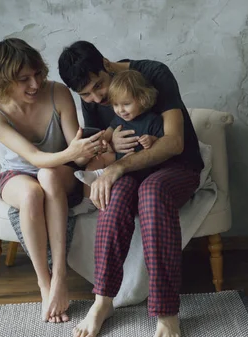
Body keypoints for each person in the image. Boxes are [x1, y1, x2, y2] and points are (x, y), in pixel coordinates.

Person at [58, 41, 204, 337]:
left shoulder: (154, 74)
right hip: (131, 168)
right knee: (117, 195)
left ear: (107, 64)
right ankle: (102, 301)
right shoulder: (92, 99)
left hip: (176, 166)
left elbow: (174, 142)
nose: (96, 97)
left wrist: (118, 167)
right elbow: (103, 144)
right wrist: (109, 148)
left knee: (152, 193)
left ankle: (166, 312)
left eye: (99, 85)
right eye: (85, 94)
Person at [0, 38, 105, 323]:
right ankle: (45, 284)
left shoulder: (58, 93)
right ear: (2, 80)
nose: (35, 84)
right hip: (17, 176)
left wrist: (93, 149)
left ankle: (60, 275)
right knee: (31, 195)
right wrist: (73, 151)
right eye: (24, 79)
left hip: (60, 173)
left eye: (38, 74)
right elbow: (34, 158)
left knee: (48, 175)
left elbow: (77, 155)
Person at [73, 69, 162, 195]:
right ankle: (88, 200)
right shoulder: (119, 118)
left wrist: (151, 139)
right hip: (117, 157)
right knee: (98, 159)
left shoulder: (153, 120)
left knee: (127, 158)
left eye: (126, 104)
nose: (121, 110)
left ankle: (99, 174)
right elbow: (109, 131)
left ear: (142, 99)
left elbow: (162, 143)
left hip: (137, 161)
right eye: (115, 105)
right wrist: (103, 140)